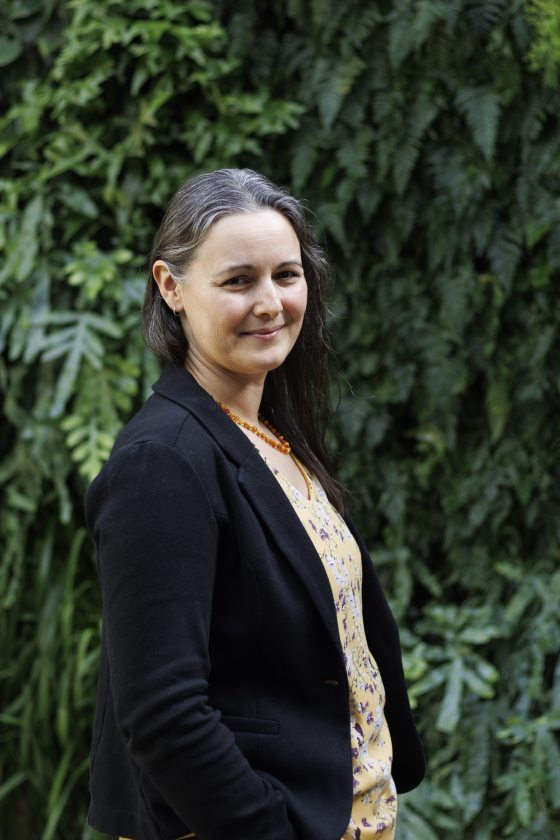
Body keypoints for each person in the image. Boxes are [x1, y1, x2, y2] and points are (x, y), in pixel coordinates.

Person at [84, 168, 425, 840]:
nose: (270, 302)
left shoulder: (270, 437)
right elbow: (163, 713)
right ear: (170, 287)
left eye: (287, 275)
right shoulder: (163, 463)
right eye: (239, 281)